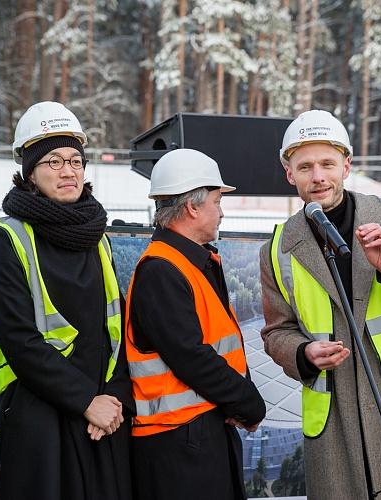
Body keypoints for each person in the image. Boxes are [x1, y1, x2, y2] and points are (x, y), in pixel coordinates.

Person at [259, 110, 381, 500]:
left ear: (346, 166)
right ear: (289, 174)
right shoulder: (278, 248)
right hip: (335, 427)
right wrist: (302, 352)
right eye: (305, 167)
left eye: (327, 164)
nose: (317, 176)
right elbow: (276, 331)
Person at [0, 101, 132, 499]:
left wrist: (112, 399)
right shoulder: (7, 240)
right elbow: (20, 341)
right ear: (29, 172)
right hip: (39, 419)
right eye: (53, 161)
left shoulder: (97, 237)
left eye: (76, 160)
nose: (68, 171)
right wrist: (86, 401)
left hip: (101, 420)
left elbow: (114, 328)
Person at [125, 148, 266, 500]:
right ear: (192, 207)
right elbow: (191, 356)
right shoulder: (161, 269)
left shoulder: (190, 262)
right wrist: (247, 401)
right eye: (217, 202)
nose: (221, 212)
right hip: (177, 445)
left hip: (198, 434)